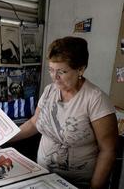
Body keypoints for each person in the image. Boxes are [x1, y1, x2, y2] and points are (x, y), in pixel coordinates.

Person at [10, 36, 118, 189]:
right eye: (51, 70)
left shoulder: (96, 100)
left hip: (76, 184)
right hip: (43, 176)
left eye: (62, 71)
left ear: (80, 69)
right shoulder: (50, 91)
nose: (55, 77)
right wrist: (4, 138)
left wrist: (95, 187)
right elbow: (35, 122)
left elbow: (108, 150)